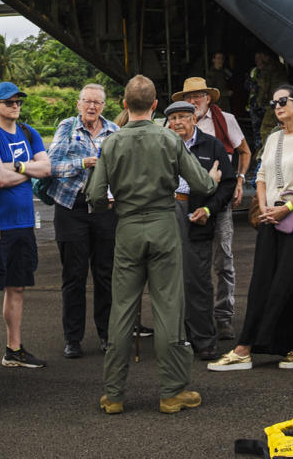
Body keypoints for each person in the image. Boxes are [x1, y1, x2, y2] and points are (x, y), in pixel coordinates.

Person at [88, 74, 221, 414]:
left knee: (122, 311)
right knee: (168, 310)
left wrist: (113, 209)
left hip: (128, 227)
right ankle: (172, 392)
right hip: (164, 225)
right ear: (156, 105)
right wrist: (214, 178)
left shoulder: (111, 142)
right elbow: (203, 184)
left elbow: (94, 195)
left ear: (123, 104)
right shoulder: (168, 138)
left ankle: (114, 394)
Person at [208, 82, 293, 373]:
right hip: (272, 218)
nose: (278, 106)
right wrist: (263, 207)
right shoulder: (274, 139)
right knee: (262, 281)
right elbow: (259, 176)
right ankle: (245, 347)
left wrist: (287, 207)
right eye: (274, 102)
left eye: (284, 100)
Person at [0, 81, 50, 369]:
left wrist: (18, 167)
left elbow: (47, 169)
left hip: (23, 224)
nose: (15, 106)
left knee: (16, 287)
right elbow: (0, 178)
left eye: (18, 101)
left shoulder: (28, 132)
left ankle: (14, 349)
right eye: (8, 102)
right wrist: (30, 169)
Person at [173, 75, 251, 341]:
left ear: (208, 98)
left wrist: (239, 180)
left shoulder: (225, 120)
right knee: (192, 264)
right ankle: (194, 319)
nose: (194, 101)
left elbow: (244, 150)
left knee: (223, 260)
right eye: (189, 97)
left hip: (220, 198)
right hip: (187, 202)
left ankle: (224, 316)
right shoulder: (174, 122)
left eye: (199, 96)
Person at [48, 83, 119, 357]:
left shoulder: (114, 131)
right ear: (78, 104)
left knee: (105, 275)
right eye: (87, 101)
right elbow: (50, 166)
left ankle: (107, 334)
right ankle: (73, 339)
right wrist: (82, 164)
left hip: (104, 209)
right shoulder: (67, 127)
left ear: (104, 106)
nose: (92, 107)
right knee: (73, 276)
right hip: (71, 207)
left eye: (97, 103)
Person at [165, 100, 235, 361]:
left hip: (196, 214)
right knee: (169, 280)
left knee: (198, 280)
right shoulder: (164, 145)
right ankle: (175, 338)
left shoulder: (212, 145)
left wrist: (208, 210)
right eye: (172, 119)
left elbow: (226, 185)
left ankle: (204, 340)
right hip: (166, 212)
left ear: (194, 119)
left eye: (183, 117)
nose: (177, 123)